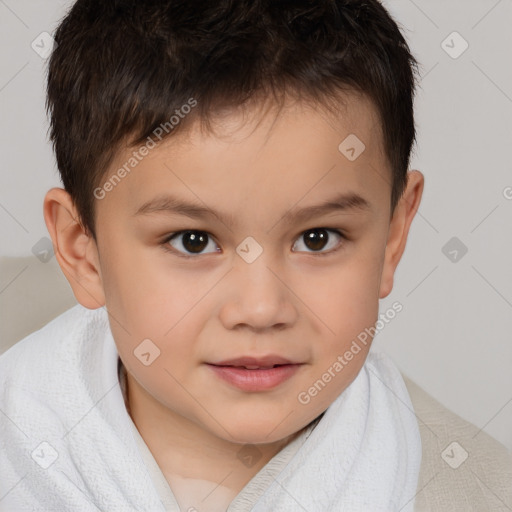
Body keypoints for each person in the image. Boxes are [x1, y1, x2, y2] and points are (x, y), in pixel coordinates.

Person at [0, 1, 510, 511]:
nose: (261, 309)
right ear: (82, 252)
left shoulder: (475, 490)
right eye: (193, 241)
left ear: (392, 237)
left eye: (318, 238)